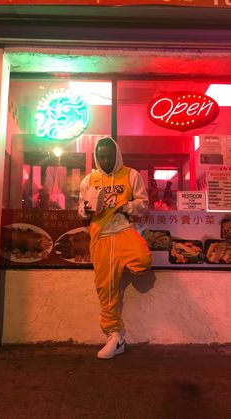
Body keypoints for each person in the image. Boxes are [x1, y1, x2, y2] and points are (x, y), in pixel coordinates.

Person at [78, 137, 152, 359]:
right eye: (101, 155)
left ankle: (118, 269)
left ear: (117, 154)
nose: (105, 159)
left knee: (142, 261)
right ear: (96, 156)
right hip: (100, 235)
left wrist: (126, 206)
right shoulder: (89, 180)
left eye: (109, 154)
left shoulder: (131, 175)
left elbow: (143, 204)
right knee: (105, 288)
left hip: (124, 231)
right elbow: (80, 210)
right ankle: (114, 336)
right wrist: (88, 209)